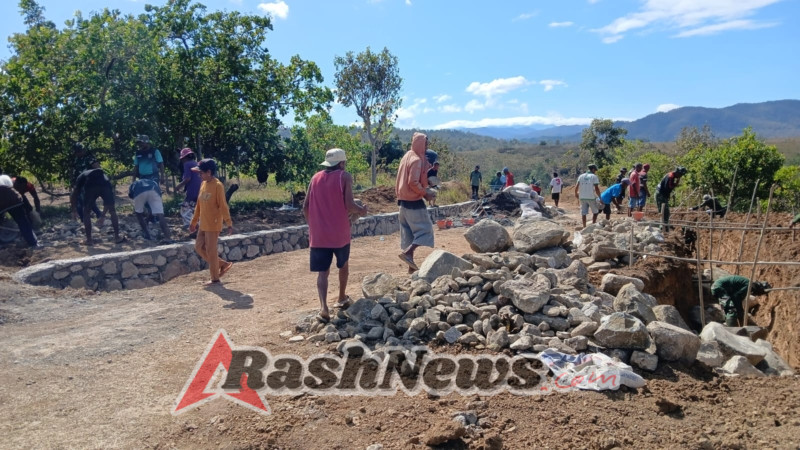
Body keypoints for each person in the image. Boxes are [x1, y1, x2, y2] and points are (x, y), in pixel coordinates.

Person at [303, 148, 369, 323]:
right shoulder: (344, 176)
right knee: (343, 265)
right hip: (340, 233)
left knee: (322, 273)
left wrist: (314, 226)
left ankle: (323, 307)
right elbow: (349, 205)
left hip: (319, 236)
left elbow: (305, 206)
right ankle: (341, 297)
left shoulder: (315, 178)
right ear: (341, 163)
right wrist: (361, 211)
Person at [189, 158, 234, 285]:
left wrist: (228, 223)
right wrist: (193, 222)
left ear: (209, 172)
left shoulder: (218, 186)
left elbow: (223, 206)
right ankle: (222, 264)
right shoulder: (203, 184)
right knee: (198, 247)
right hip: (203, 224)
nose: (199, 175)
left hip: (213, 225)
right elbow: (199, 205)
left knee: (211, 251)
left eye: (201, 173)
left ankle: (215, 278)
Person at [396, 132, 435, 273]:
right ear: (421, 144)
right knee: (425, 231)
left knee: (408, 234)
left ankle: (410, 267)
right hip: (413, 202)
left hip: (402, 201)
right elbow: (412, 182)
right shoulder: (417, 160)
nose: (426, 147)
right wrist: (425, 193)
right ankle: (408, 253)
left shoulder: (407, 155)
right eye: (425, 144)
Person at [71, 161, 123, 245]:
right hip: (105, 184)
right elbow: (108, 202)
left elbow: (75, 194)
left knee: (86, 212)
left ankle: (89, 240)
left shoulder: (81, 176)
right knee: (112, 211)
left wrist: (73, 210)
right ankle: (117, 237)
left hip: (91, 185)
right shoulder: (104, 176)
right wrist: (102, 215)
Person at [129, 177, 172, 244]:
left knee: (139, 214)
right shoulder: (153, 182)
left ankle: (147, 234)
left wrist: (139, 208)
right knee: (160, 214)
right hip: (154, 190)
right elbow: (154, 204)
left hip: (139, 191)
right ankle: (168, 237)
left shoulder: (134, 184)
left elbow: (131, 195)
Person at [0, 175, 38, 247]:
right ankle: (33, 242)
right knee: (23, 222)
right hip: (14, 199)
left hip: (5, 201)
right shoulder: (4, 178)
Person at [71, 143, 103, 222]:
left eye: (79, 151)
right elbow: (73, 172)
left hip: (88, 184)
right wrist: (72, 183)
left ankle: (98, 215)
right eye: (76, 152)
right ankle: (84, 219)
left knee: (88, 202)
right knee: (79, 202)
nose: (78, 153)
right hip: (78, 184)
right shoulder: (75, 160)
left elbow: (98, 169)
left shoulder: (90, 158)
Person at [175, 148, 203, 229]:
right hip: (200, 189)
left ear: (184, 158)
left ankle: (189, 225)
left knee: (185, 208)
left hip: (193, 190)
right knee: (197, 208)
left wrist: (178, 186)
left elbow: (187, 178)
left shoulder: (186, 164)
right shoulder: (196, 163)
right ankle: (200, 225)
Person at [656, 166, 687, 231]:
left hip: (663, 194)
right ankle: (663, 227)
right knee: (664, 211)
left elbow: (668, 187)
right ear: (677, 172)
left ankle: (664, 226)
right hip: (661, 194)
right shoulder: (670, 177)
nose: (680, 176)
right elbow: (669, 187)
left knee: (665, 211)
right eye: (680, 175)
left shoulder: (671, 175)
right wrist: (676, 184)